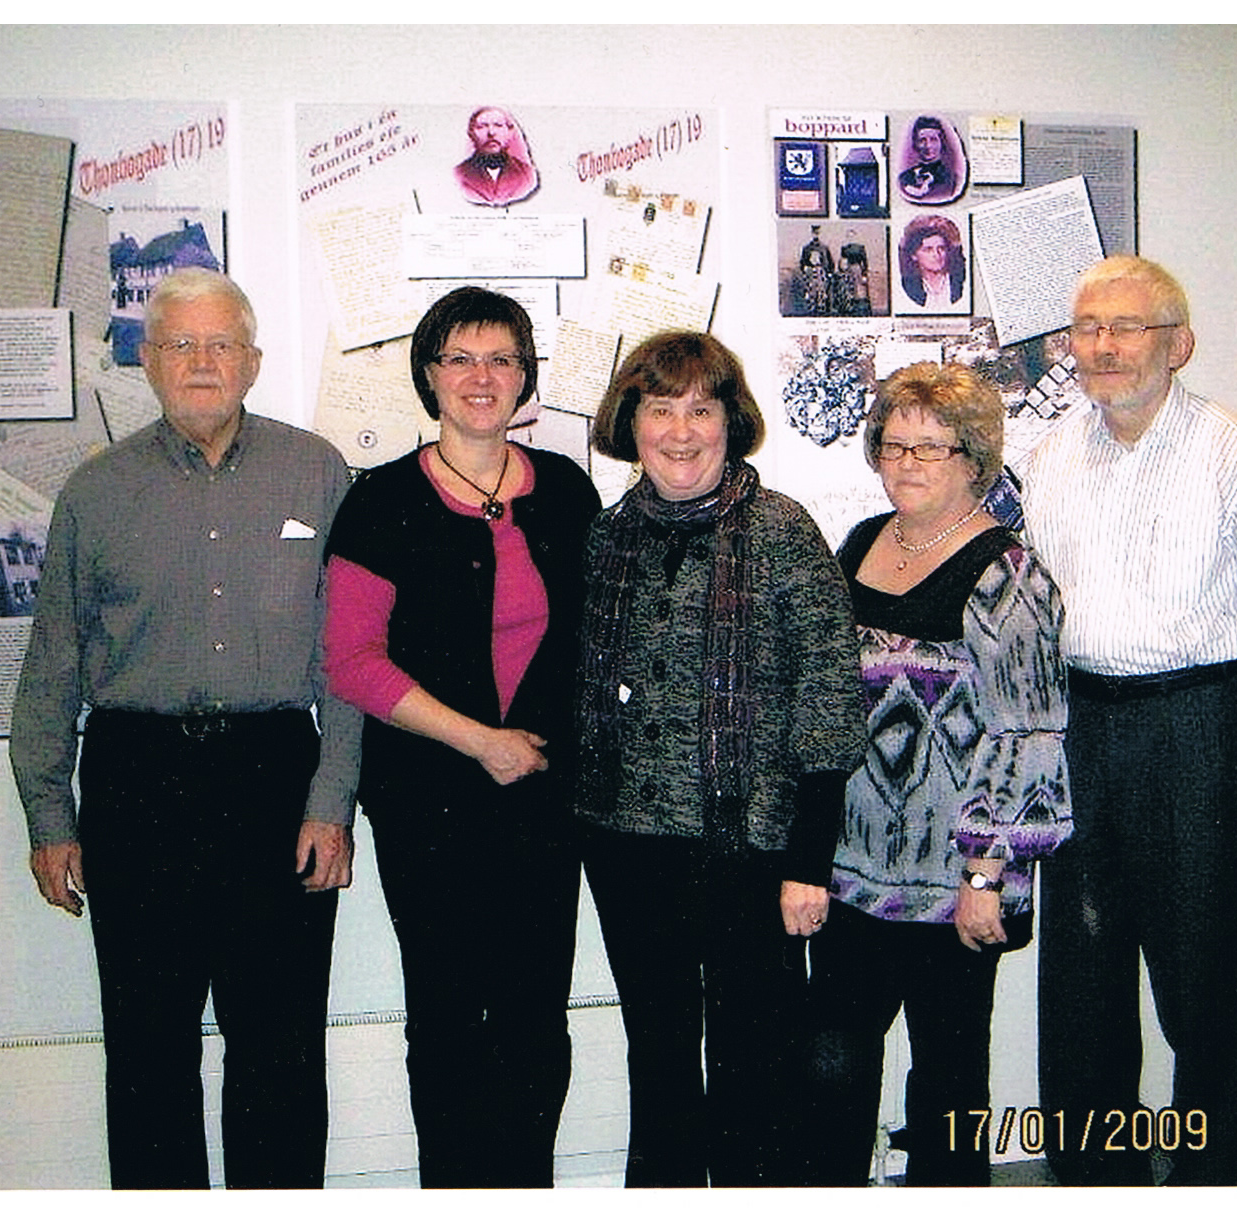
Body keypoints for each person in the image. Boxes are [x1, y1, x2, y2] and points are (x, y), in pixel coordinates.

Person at [10, 267, 361, 1189]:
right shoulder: (94, 492)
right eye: (179, 346)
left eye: (219, 346)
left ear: (252, 361)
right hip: (138, 783)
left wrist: (332, 801)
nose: (201, 364)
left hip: (276, 779)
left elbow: (351, 661)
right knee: (147, 1050)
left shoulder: (316, 470)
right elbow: (51, 661)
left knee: (280, 1050)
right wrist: (50, 816)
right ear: (146, 361)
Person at [1024, 255, 1237, 1185]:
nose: (1103, 347)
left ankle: (1202, 1185)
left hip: (1199, 729)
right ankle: (1094, 1180)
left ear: (1178, 343)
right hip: (1082, 726)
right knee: (1083, 977)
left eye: (1127, 327)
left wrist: (1222, 737)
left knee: (1202, 978)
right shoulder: (1048, 454)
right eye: (1086, 327)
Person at [322, 287, 599, 1187]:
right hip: (428, 805)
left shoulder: (565, 488)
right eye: (461, 359)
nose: (482, 379)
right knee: (446, 1017)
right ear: (430, 375)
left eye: (502, 360)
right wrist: (479, 740)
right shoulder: (379, 501)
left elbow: (598, 636)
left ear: (525, 378)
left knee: (534, 1017)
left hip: (547, 804)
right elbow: (353, 662)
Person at [576, 331, 866, 1187]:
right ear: (629, 424)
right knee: (657, 1055)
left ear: (731, 423)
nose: (680, 430)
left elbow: (828, 699)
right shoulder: (605, 537)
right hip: (627, 846)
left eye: (700, 409)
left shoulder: (782, 531)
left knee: (754, 1062)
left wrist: (809, 861)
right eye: (660, 408)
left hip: (751, 849)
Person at [802, 362, 1073, 1187]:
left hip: (954, 880)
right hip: (852, 871)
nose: (908, 463)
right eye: (893, 444)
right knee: (832, 1063)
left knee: (947, 1074)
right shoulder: (859, 543)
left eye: (932, 447)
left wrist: (987, 871)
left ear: (975, 459)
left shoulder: (1007, 570)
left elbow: (1031, 730)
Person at [455, 105, 539, 207]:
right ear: (471, 133)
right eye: (482, 126)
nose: (491, 133)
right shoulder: (460, 174)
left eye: (498, 125)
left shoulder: (526, 175)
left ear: (510, 132)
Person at [898, 214, 967, 311]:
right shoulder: (909, 286)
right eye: (928, 250)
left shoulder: (958, 281)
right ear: (914, 255)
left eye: (941, 248)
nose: (936, 255)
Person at [897, 115, 959, 203]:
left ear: (941, 143)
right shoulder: (905, 177)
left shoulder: (949, 178)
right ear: (916, 144)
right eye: (922, 140)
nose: (928, 146)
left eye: (933, 140)